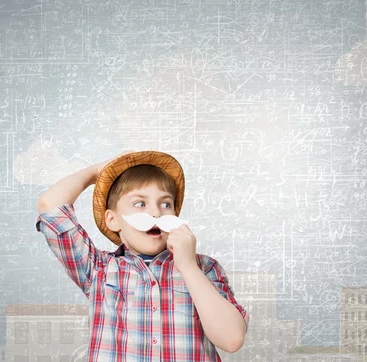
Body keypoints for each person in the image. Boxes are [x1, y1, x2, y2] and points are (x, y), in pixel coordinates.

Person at [35, 150, 249, 361]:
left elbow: (231, 339)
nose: (156, 213)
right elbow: (50, 206)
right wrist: (98, 171)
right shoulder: (98, 268)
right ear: (113, 220)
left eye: (166, 204)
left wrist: (188, 267)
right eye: (140, 204)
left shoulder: (205, 267)